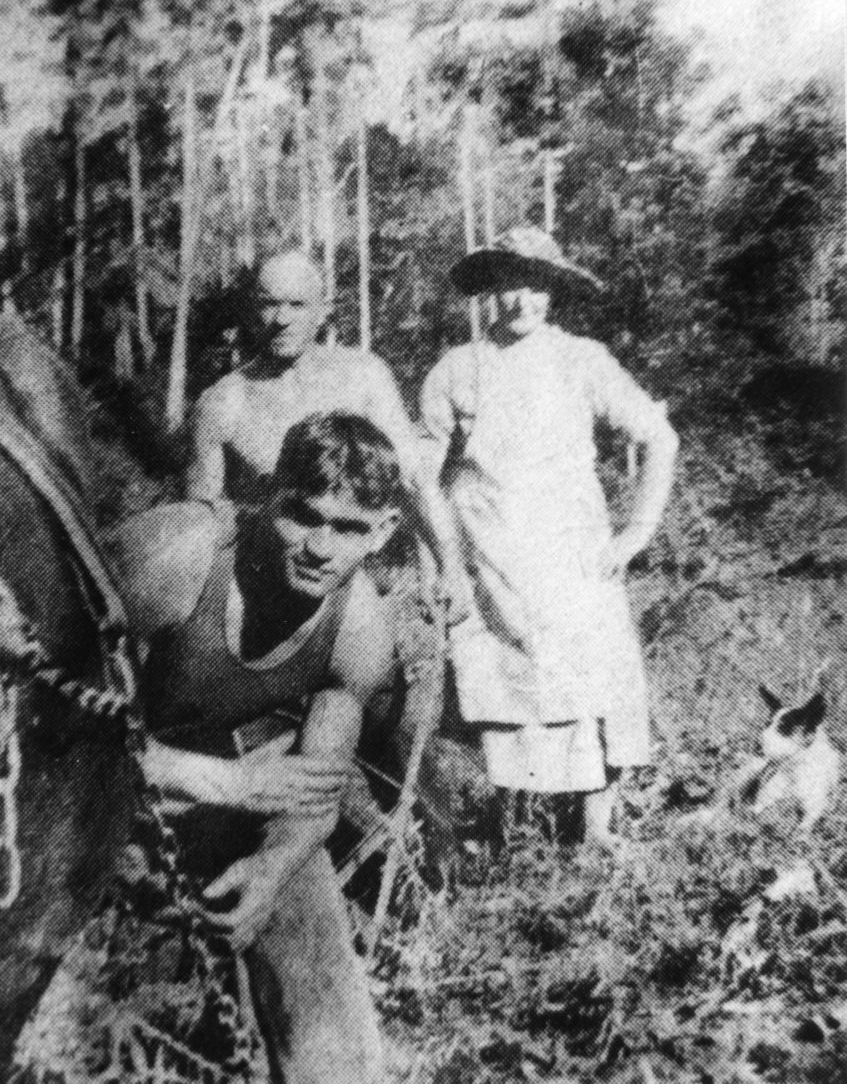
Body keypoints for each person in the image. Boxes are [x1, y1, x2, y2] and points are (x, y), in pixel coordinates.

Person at [110, 412, 405, 1084]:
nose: (320, 548)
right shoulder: (179, 554)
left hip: (224, 793)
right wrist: (220, 783)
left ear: (384, 531)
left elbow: (312, 794)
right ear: (268, 497)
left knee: (338, 1052)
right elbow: (54, 725)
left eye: (350, 528)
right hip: (101, 798)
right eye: (304, 516)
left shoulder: (360, 629)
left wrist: (273, 868)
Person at [420, 227, 679, 845]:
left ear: (554, 289)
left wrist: (635, 532)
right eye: (508, 284)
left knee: (587, 687)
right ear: (488, 291)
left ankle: (592, 835)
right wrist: (439, 564)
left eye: (535, 284)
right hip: (489, 562)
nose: (521, 300)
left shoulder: (583, 360)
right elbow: (421, 472)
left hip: (571, 558)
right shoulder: (459, 369)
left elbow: (659, 437)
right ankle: (511, 832)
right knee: (503, 693)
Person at [183, 248, 470, 620]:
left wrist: (450, 565)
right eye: (268, 304)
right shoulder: (222, 403)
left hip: (346, 590)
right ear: (253, 310)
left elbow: (415, 479)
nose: (281, 319)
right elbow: (198, 523)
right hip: (256, 599)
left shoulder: (363, 378)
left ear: (323, 310)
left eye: (297, 305)